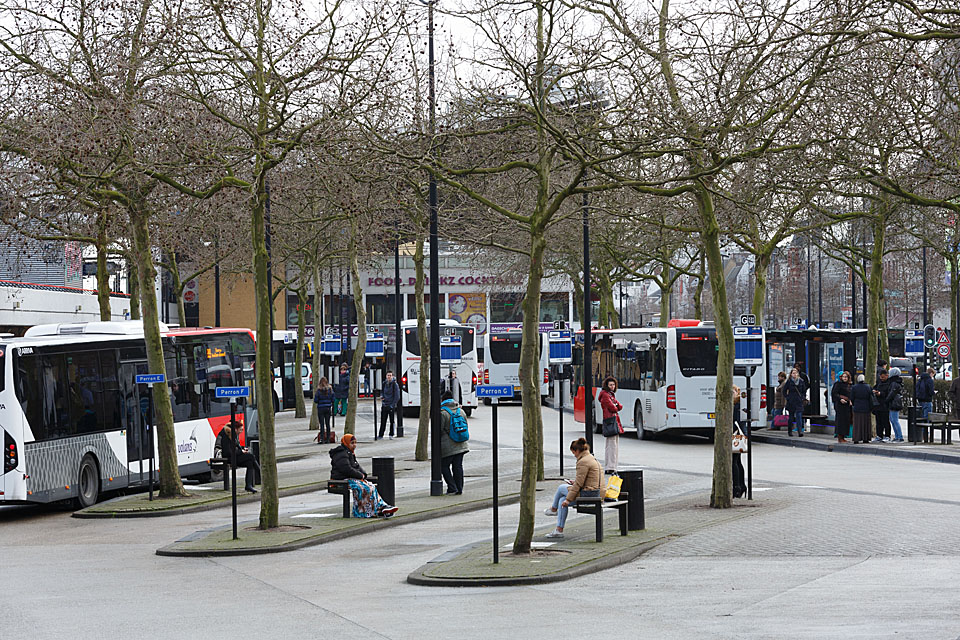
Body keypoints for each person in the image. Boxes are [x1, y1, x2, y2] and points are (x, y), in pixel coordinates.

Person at [543, 437, 603, 539]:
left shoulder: (583, 461)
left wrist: (568, 499)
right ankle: (559, 530)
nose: (574, 455)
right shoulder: (591, 458)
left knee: (561, 487)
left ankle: (553, 509)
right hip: (595, 492)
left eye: (573, 453)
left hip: (589, 494)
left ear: (577, 451)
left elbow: (578, 484)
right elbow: (586, 481)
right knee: (561, 501)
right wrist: (566, 499)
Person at [329, 434, 397, 518]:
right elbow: (346, 469)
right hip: (341, 479)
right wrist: (360, 475)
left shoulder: (349, 453)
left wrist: (363, 474)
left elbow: (356, 466)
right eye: (352, 443)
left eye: (355, 443)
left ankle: (380, 506)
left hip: (349, 478)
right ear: (346, 443)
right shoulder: (341, 454)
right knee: (364, 488)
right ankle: (365, 511)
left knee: (371, 486)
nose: (354, 445)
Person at [439, 391, 469, 494]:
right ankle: (459, 488)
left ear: (443, 400)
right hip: (461, 443)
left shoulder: (442, 412)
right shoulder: (461, 411)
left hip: (448, 445)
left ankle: (452, 487)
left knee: (443, 466)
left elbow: (439, 430)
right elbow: (466, 425)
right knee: (458, 466)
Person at [220, 421, 260, 493]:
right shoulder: (226, 436)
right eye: (240, 430)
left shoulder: (233, 435)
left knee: (249, 463)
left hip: (234, 457)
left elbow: (236, 448)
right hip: (229, 458)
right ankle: (260, 473)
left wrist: (242, 449)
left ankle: (248, 485)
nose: (241, 432)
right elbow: (227, 452)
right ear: (236, 429)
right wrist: (241, 452)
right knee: (250, 456)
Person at [598, 376, 622, 474]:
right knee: (612, 445)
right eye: (610, 385)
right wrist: (616, 406)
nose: (612, 386)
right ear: (606, 386)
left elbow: (619, 405)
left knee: (612, 445)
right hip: (610, 421)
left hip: (612, 420)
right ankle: (611, 467)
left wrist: (616, 406)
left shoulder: (609, 395)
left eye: (613, 385)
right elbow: (614, 408)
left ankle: (611, 466)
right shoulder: (605, 395)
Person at [783, 367, 807, 436]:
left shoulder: (801, 381)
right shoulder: (789, 381)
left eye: (796, 373)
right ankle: (790, 430)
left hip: (799, 401)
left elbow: (804, 390)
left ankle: (800, 431)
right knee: (791, 417)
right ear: (791, 374)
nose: (795, 374)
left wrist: (803, 397)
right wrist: (788, 398)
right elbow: (784, 391)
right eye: (793, 373)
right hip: (791, 401)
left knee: (799, 416)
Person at [732, 386, 747, 499]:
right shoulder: (740, 405)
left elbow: (733, 421)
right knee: (737, 461)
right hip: (739, 435)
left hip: (733, 434)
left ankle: (736, 487)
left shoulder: (734, 406)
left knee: (733, 462)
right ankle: (741, 486)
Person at [851, 374, 874, 444]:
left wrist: (854, 404)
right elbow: (871, 398)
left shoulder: (854, 387)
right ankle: (866, 438)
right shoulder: (868, 387)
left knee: (857, 424)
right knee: (866, 423)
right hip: (866, 407)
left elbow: (852, 398)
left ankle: (856, 438)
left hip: (857, 407)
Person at [378, 370, 401, 440]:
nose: (389, 377)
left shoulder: (395, 385)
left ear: (392, 376)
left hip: (391, 405)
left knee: (391, 421)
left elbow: (397, 396)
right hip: (384, 404)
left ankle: (391, 434)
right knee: (383, 420)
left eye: (390, 375)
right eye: (388, 375)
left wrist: (392, 404)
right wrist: (382, 396)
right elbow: (382, 391)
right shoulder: (384, 383)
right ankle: (380, 435)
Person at [831, 371, 852, 443]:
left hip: (847, 406)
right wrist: (840, 399)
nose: (845, 378)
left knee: (846, 421)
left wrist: (850, 400)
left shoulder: (849, 385)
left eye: (846, 377)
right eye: (843, 377)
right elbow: (834, 394)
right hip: (840, 405)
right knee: (840, 421)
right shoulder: (838, 384)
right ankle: (840, 437)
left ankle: (843, 436)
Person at [885, 367, 905, 442]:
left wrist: (886, 400)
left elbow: (891, 393)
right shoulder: (897, 382)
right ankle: (897, 436)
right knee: (893, 420)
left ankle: (899, 436)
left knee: (894, 420)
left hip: (894, 403)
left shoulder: (893, 383)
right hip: (895, 402)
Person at [313, 377, 334, 443]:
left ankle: (322, 439)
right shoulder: (330, 390)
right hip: (328, 408)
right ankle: (328, 438)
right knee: (327, 424)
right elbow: (333, 399)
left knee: (321, 424)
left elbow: (315, 400)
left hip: (321, 408)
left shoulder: (318, 391)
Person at [872, 369, 891, 442]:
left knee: (885, 421)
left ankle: (887, 435)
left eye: (883, 377)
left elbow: (888, 393)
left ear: (887, 376)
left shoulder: (889, 383)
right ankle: (879, 435)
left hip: (884, 405)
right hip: (878, 405)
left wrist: (881, 394)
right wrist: (875, 391)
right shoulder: (879, 382)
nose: (881, 378)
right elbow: (875, 387)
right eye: (880, 377)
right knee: (878, 421)